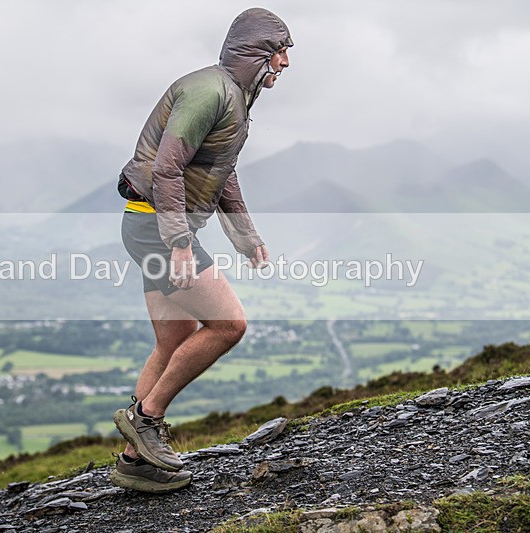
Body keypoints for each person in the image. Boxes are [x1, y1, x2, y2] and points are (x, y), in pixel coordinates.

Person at [111, 7, 293, 493]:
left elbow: (220, 170)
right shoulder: (208, 91)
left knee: (174, 340)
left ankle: (136, 462)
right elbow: (168, 168)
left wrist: (244, 236)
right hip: (156, 228)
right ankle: (146, 419)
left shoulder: (231, 97)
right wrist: (179, 242)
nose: (285, 64)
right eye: (280, 52)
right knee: (229, 324)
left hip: (147, 225)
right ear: (256, 53)